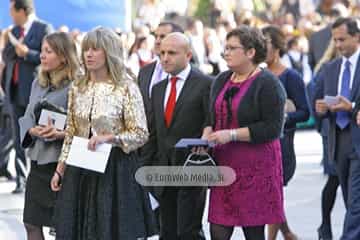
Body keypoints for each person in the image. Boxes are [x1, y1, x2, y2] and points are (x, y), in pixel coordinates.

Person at [50, 27, 157, 240]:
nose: (88, 54)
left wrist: (111, 138)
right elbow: (71, 131)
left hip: (115, 169)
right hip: (79, 167)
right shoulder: (77, 87)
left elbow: (141, 133)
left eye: (95, 49)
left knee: (110, 232)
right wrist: (60, 169)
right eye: (86, 49)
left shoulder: (125, 86)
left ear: (109, 52)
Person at [201, 26, 286, 240]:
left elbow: (273, 127)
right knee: (218, 229)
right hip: (224, 165)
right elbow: (211, 116)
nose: (226, 52)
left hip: (255, 167)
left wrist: (231, 134)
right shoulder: (221, 79)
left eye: (232, 48)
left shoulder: (268, 83)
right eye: (225, 48)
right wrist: (206, 133)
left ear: (250, 52)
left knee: (253, 231)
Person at [141, 32, 212, 240]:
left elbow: (211, 123)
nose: (165, 58)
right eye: (162, 52)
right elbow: (153, 134)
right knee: (167, 231)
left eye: (172, 53)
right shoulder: (158, 88)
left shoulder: (205, 84)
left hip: (192, 169)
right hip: (163, 172)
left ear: (188, 55)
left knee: (188, 232)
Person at [18, 32, 79, 240]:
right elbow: (27, 114)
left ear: (63, 56)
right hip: (37, 163)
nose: (41, 56)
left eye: (48, 51)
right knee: (30, 222)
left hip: (62, 165)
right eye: (42, 51)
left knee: (62, 227)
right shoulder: (38, 82)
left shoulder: (76, 86)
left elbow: (82, 126)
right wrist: (31, 130)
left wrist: (61, 134)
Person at [314, 17, 360, 240]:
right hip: (338, 139)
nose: (338, 45)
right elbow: (317, 104)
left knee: (355, 201)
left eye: (342, 39)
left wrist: (350, 106)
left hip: (358, 138)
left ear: (357, 37)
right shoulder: (331, 68)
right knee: (350, 200)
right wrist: (322, 109)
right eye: (335, 40)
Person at [263, 25, 310, 240]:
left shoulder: (290, 76)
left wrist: (284, 117)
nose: (261, 49)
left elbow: (304, 111)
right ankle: (288, 234)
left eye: (266, 44)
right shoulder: (259, 75)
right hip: (259, 144)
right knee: (270, 195)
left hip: (282, 145)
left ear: (278, 47)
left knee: (273, 194)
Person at [2, 0, 52, 193]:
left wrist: (28, 53)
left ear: (22, 11)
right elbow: (6, 56)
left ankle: (40, 178)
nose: (11, 15)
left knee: (39, 136)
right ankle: (21, 180)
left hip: (35, 93)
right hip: (14, 92)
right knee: (19, 137)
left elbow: (49, 56)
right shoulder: (13, 32)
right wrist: (14, 51)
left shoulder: (43, 28)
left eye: (12, 11)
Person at [312, 39, 340, 240]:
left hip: (345, 129)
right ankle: (325, 225)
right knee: (334, 178)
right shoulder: (327, 68)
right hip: (331, 131)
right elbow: (315, 99)